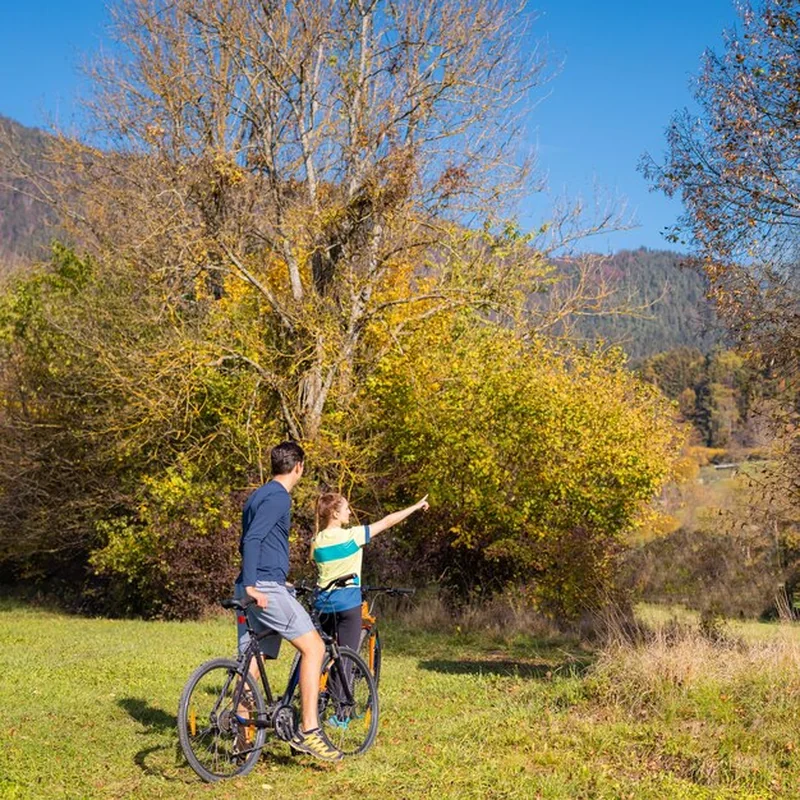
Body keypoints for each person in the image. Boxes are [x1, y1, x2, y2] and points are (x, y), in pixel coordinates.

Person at [234, 441, 341, 762]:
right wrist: (256, 584)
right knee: (315, 648)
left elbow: (248, 541)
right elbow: (252, 539)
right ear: (299, 467)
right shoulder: (279, 497)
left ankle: (242, 744)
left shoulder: (257, 495)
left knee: (251, 664)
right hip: (261, 588)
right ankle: (310, 730)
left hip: (256, 583)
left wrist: (260, 580)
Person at [310, 492, 429, 726]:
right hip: (347, 604)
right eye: (346, 509)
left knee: (322, 654)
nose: (349, 512)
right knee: (346, 656)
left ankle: (315, 700)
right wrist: (414, 507)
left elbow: (313, 558)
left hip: (322, 604)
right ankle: (341, 715)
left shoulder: (317, 541)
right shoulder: (352, 536)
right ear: (335, 513)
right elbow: (387, 521)